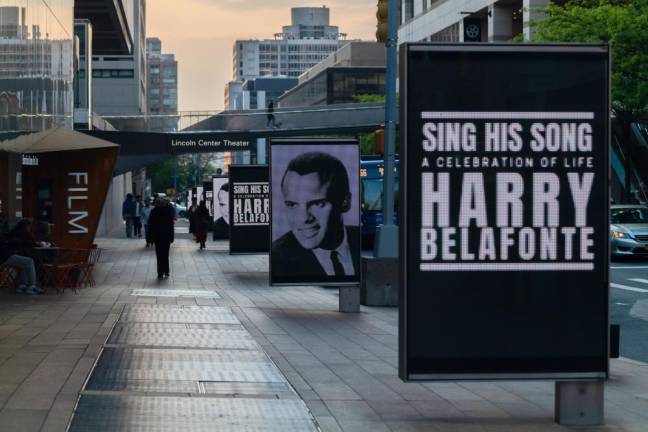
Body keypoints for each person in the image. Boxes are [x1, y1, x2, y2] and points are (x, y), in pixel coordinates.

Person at [272, 152, 359, 280]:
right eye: (292, 205)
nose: (303, 218)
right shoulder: (277, 258)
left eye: (318, 203)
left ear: (345, 202)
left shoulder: (360, 240)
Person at [0, 219, 42, 294]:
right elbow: (29, 243)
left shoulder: (11, 233)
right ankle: (32, 286)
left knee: (24, 263)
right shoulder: (22, 233)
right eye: (29, 226)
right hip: (5, 257)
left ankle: (23, 285)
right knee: (30, 261)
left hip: (6, 256)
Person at [148, 197, 175, 279]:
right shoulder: (168, 212)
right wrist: (171, 237)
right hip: (166, 236)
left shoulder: (154, 212)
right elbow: (171, 225)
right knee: (165, 254)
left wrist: (150, 238)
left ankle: (160, 272)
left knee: (159, 255)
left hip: (157, 237)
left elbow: (151, 226)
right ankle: (166, 271)